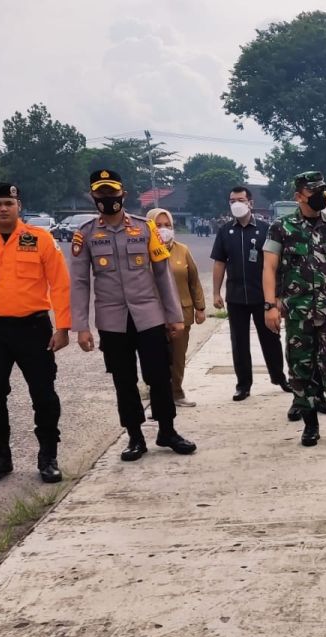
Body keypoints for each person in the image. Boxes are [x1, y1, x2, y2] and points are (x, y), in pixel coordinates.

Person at [71, 169, 196, 461]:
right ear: (93, 197)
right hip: (112, 321)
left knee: (159, 375)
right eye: (101, 194)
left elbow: (163, 274)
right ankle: (135, 437)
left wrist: (174, 315)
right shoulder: (87, 233)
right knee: (123, 380)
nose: (108, 199)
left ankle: (167, 430)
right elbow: (79, 281)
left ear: (123, 195)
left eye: (112, 193)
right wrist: (81, 326)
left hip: (149, 317)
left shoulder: (144, 229)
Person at [0, 182, 70, 483]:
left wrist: (64, 328)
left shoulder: (40, 239)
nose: (3, 208)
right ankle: (0, 458)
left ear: (18, 205)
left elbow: (60, 285)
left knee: (43, 395)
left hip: (34, 328)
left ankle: (48, 458)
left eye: (8, 203)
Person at [262, 171, 326, 448]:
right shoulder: (282, 227)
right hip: (298, 313)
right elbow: (269, 267)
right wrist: (270, 305)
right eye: (313, 191)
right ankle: (311, 425)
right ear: (298, 196)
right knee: (301, 367)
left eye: (322, 191)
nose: (320, 196)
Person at [211, 186, 289, 404]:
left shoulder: (267, 229)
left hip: (262, 296)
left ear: (250, 203)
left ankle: (279, 377)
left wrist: (276, 297)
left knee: (271, 338)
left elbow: (277, 266)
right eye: (232, 200)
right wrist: (216, 292)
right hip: (236, 296)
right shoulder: (226, 231)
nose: (237, 203)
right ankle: (243, 384)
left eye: (241, 199)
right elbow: (219, 263)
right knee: (239, 342)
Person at [146, 208, 205, 408]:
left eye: (167, 225)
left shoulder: (182, 250)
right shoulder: (142, 251)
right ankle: (159, 397)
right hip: (153, 315)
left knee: (178, 356)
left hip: (182, 313)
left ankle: (177, 392)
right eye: (158, 225)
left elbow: (194, 281)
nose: (164, 229)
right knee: (157, 358)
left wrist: (200, 308)